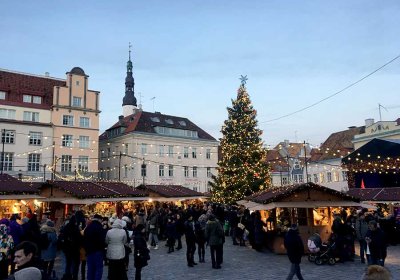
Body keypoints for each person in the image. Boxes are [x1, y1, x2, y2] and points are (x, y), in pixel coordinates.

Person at [84, 214, 106, 280]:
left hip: (89, 251)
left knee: (90, 269)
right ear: (99, 219)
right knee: (98, 269)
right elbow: (102, 240)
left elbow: (84, 239)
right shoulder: (99, 227)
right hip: (98, 251)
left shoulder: (88, 227)